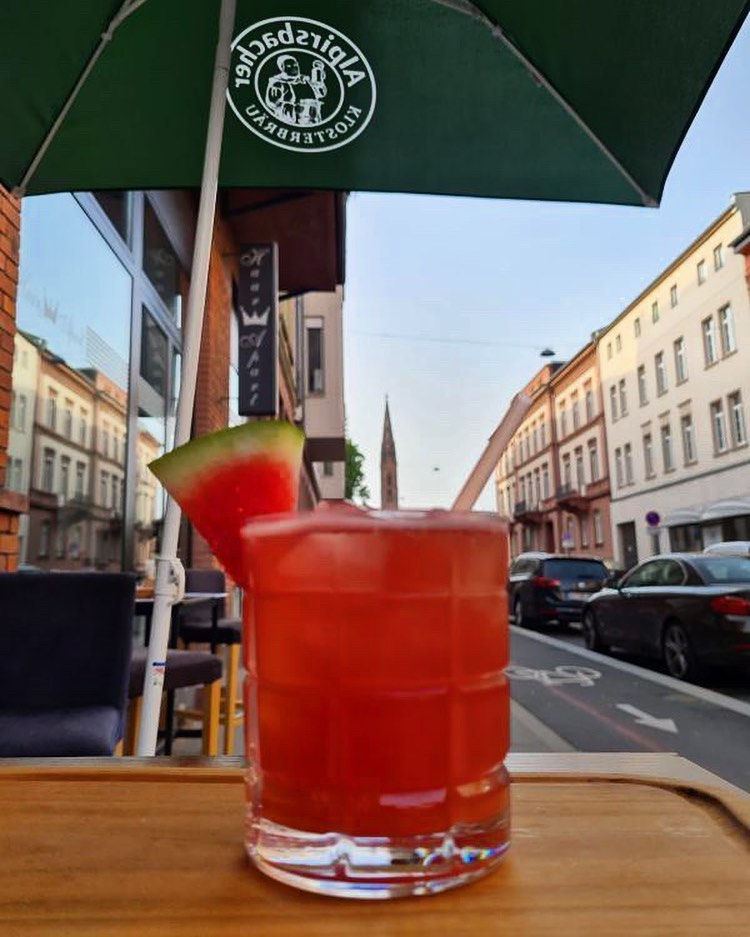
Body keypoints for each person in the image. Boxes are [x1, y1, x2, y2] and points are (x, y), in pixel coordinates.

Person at [265, 55, 327, 126]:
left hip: (313, 118)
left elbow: (320, 94)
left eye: (295, 64)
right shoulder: (278, 82)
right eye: (289, 65)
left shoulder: (305, 79)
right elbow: (273, 103)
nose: (293, 67)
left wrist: (319, 80)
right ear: (282, 67)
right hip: (292, 122)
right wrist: (295, 110)